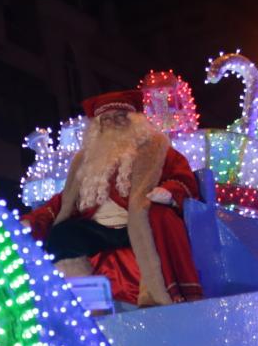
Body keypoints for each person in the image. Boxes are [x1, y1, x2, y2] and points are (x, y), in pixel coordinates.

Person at [24, 90, 203, 307]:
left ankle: (154, 297)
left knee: (157, 218)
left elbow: (182, 177)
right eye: (106, 119)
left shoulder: (156, 148)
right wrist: (33, 221)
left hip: (137, 223)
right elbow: (64, 200)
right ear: (97, 126)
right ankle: (80, 302)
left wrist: (169, 192)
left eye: (120, 116)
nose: (112, 123)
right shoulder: (86, 160)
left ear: (134, 119)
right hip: (98, 228)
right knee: (63, 234)